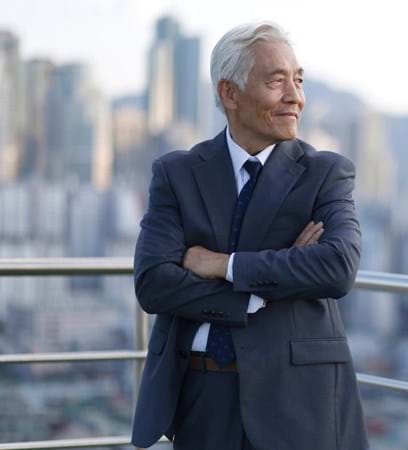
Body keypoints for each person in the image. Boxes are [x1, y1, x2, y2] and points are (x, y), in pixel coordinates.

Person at [130, 21, 370, 450]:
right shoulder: (176, 173)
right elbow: (153, 283)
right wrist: (264, 289)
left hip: (297, 398)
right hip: (200, 394)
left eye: (298, 80)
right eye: (277, 81)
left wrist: (222, 265)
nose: (295, 96)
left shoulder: (326, 173)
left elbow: (337, 267)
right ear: (230, 93)